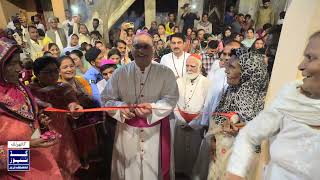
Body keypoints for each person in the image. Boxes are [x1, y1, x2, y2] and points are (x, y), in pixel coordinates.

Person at [226, 31, 320, 180]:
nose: (301, 66)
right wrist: (235, 173)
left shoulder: (258, 94)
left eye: (310, 57)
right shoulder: (290, 98)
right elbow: (249, 136)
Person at [101, 32, 179, 180]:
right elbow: (106, 99)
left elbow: (171, 99)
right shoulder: (120, 73)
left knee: (154, 169)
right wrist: (122, 107)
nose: (141, 51)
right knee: (129, 169)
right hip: (127, 131)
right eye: (137, 46)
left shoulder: (165, 73)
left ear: (153, 49)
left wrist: (152, 108)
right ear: (131, 49)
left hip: (155, 131)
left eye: (146, 46)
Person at [0, 37, 62, 179]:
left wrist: (41, 124)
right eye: (13, 64)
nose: (19, 69)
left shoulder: (20, 88)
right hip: (14, 170)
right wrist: (25, 146)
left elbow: (27, 122)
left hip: (39, 161)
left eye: (19, 62)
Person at [206, 48, 269, 180]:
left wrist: (243, 130)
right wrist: (213, 139)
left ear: (247, 73)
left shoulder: (261, 105)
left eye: (232, 67)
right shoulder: (230, 92)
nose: (226, 70)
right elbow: (217, 117)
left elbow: (258, 141)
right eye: (227, 65)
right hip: (219, 158)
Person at [28, 56, 84, 179]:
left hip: (64, 136)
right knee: (48, 170)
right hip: (39, 138)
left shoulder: (64, 88)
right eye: (48, 72)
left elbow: (72, 101)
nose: (53, 75)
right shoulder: (29, 92)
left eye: (55, 71)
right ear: (37, 74)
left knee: (68, 169)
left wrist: (74, 107)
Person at [173, 54, 211, 179]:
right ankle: (178, 172)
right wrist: (180, 120)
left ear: (199, 67)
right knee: (178, 149)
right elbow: (173, 102)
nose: (189, 68)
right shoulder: (179, 81)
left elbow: (206, 107)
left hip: (197, 124)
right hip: (180, 122)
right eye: (187, 65)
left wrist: (194, 123)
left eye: (193, 66)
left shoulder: (206, 82)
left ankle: (191, 173)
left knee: (194, 151)